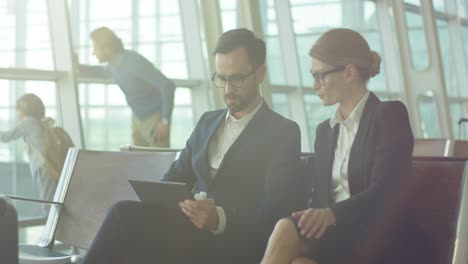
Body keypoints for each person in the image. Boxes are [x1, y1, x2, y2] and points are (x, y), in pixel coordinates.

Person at [81, 28, 302, 264]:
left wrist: (220, 218)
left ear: (260, 74)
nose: (227, 89)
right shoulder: (208, 121)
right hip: (186, 231)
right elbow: (176, 176)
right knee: (123, 213)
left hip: (232, 242)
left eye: (237, 78)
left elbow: (276, 213)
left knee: (126, 224)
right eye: (221, 78)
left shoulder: (282, 132)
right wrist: (163, 199)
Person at [261, 28, 415, 264]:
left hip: (375, 235)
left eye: (320, 75)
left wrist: (332, 214)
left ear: (348, 72)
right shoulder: (325, 131)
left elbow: (386, 192)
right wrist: (312, 214)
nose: (314, 85)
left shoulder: (388, 116)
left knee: (285, 230)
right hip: (336, 238)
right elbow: (320, 196)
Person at [78, 27, 176, 148]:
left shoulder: (134, 62)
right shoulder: (114, 65)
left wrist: (165, 122)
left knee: (160, 162)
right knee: (138, 161)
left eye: (95, 48)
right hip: (137, 118)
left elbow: (167, 85)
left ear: (106, 47)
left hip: (154, 120)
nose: (93, 52)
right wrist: (77, 67)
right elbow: (100, 71)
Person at [0, 94, 62, 215]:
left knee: (48, 205)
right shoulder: (38, 122)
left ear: (24, 110)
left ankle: (54, 233)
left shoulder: (28, 122)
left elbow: (6, 137)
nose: (18, 114)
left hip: (44, 168)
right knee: (51, 202)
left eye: (19, 110)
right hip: (48, 167)